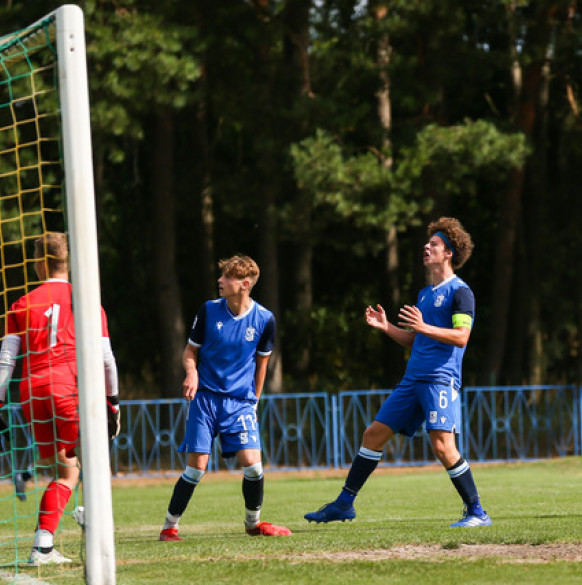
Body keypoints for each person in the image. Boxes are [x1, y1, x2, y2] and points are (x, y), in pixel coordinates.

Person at [304, 217, 491, 528]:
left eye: (434, 244)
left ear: (449, 253)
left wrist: (423, 327)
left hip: (439, 380)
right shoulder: (425, 294)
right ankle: (344, 504)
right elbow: (417, 339)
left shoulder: (461, 292)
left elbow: (461, 337)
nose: (426, 247)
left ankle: (477, 512)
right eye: (427, 243)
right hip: (412, 380)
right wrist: (387, 327)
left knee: (443, 447)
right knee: (373, 435)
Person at [0, 232, 121, 565]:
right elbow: (106, 358)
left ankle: (44, 545)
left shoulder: (22, 303)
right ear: (68, 263)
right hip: (69, 387)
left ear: (40, 263)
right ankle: (89, 519)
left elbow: (6, 359)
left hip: (32, 392)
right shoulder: (86, 300)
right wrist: (113, 402)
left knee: (64, 471)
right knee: (89, 464)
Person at [159, 255, 291, 541]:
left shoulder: (264, 319)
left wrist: (254, 402)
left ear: (244, 284)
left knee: (253, 466)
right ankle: (169, 526)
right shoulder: (209, 310)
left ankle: (253, 523)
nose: (220, 280)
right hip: (205, 399)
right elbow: (190, 351)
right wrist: (191, 373)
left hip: (240, 403)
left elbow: (262, 365)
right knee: (196, 469)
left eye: (227, 277)